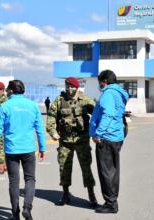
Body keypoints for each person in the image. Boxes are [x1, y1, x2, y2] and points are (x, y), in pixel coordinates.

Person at [0, 80, 46, 220]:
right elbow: (39, 129)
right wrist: (42, 147)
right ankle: (27, 207)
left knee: (13, 182)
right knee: (30, 179)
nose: (7, 91)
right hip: (28, 150)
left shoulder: (5, 106)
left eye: (8, 90)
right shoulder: (33, 106)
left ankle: (15, 214)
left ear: (12, 91)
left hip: (11, 150)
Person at [46, 77, 98, 208]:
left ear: (77, 87)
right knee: (64, 168)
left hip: (82, 140)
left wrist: (96, 132)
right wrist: (53, 132)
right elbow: (51, 116)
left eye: (72, 87)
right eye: (67, 86)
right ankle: (65, 194)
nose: (69, 89)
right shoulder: (59, 100)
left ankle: (91, 194)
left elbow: (98, 114)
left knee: (86, 167)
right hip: (64, 141)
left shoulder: (85, 100)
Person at [90, 70, 129, 214]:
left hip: (106, 137)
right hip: (115, 135)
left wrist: (98, 133)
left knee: (106, 171)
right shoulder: (119, 93)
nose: (99, 85)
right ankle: (112, 200)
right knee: (112, 170)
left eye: (100, 82)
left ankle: (110, 203)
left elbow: (108, 114)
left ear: (104, 81)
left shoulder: (108, 93)